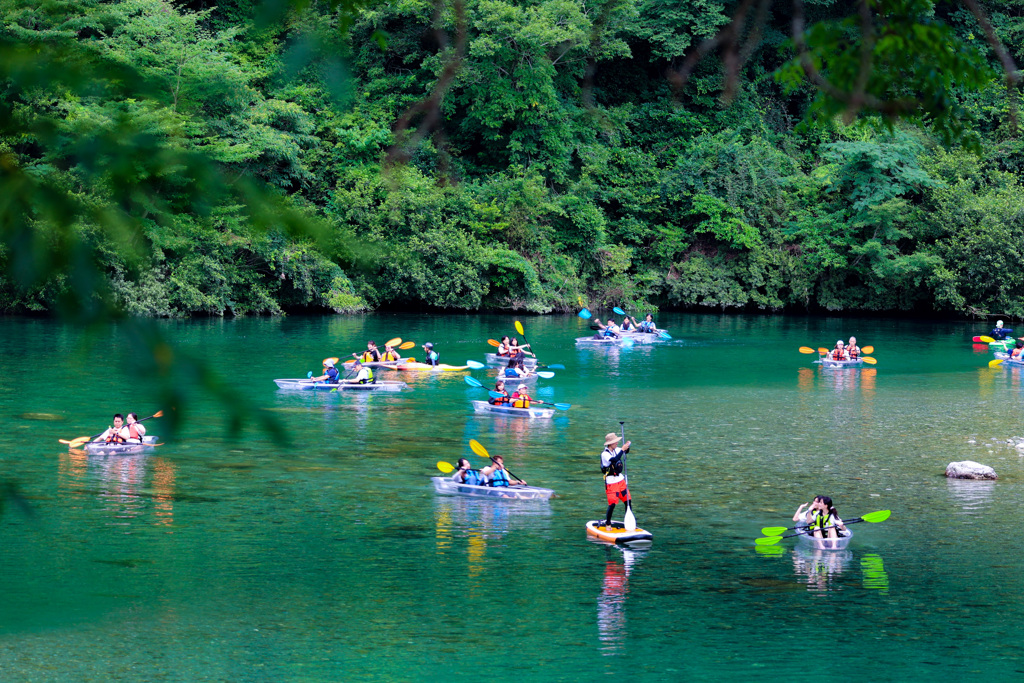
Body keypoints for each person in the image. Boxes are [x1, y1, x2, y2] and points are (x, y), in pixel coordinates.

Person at [600, 432, 632, 528]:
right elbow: (614, 460)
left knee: (628, 501)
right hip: (611, 482)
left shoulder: (617, 449)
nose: (617, 443)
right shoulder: (604, 454)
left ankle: (628, 522)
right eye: (615, 442)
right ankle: (608, 523)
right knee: (612, 504)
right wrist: (622, 450)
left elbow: (625, 452)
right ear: (610, 444)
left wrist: (627, 446)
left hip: (621, 480)